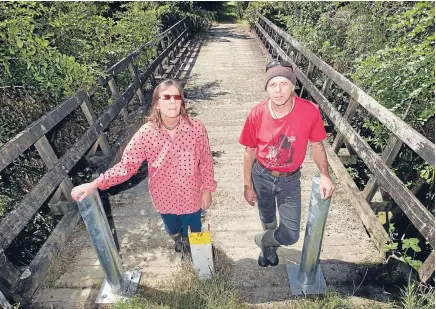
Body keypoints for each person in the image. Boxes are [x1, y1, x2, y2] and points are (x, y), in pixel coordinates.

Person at [71, 79, 216, 258]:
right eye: (166, 97)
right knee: (172, 228)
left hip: (192, 194)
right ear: (157, 105)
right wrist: (94, 184)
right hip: (164, 197)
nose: (172, 101)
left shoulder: (196, 128)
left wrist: (207, 189)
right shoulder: (146, 133)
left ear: (182, 102)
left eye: (177, 97)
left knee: (194, 230)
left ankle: (193, 250)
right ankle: (178, 239)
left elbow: (206, 161)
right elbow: (126, 166)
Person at [239, 60, 335, 267]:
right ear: (266, 88)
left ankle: (263, 241)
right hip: (261, 174)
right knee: (266, 215)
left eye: (284, 83)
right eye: (272, 85)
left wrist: (325, 175)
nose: (278, 90)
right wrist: (247, 185)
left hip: (290, 179)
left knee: (291, 234)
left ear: (293, 86)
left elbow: (317, 146)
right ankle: (270, 249)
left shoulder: (309, 111)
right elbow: (249, 152)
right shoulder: (256, 113)